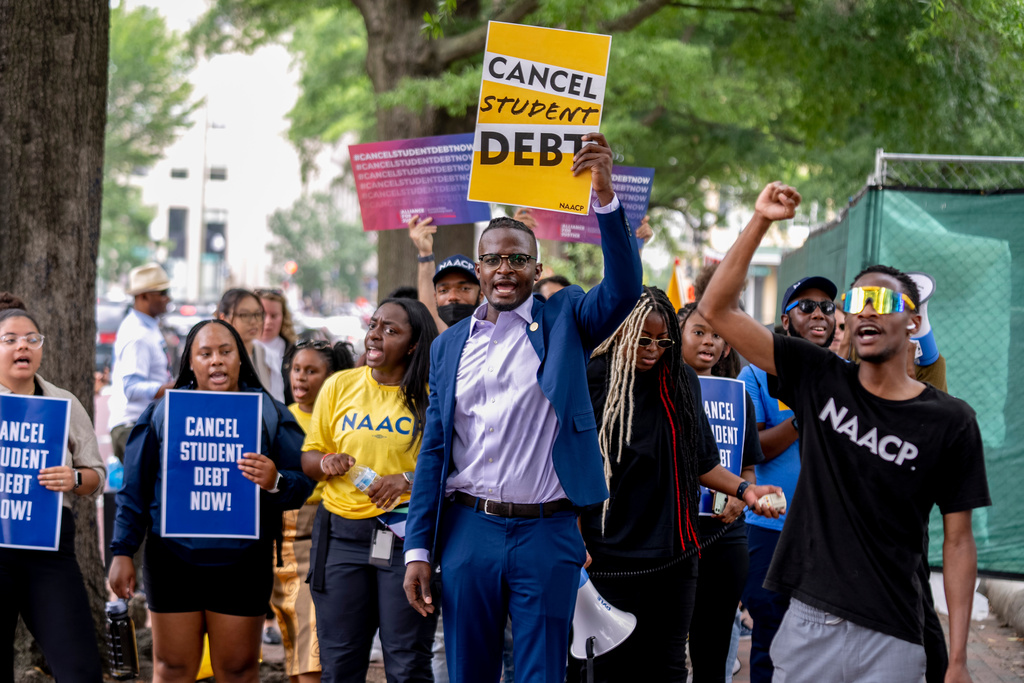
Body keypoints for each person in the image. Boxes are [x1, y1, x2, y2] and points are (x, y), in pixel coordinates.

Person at [699, 182, 990, 683]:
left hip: (895, 630)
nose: (866, 309)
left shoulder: (952, 420)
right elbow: (718, 309)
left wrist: (960, 659)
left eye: (882, 299)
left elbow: (959, 542)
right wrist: (761, 221)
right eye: (856, 300)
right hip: (810, 619)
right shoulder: (819, 377)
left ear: (914, 318)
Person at [402, 133, 641, 683]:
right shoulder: (447, 346)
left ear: (536, 269)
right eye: (493, 259)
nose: (504, 268)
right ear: (479, 270)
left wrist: (604, 194)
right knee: (468, 673)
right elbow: (434, 450)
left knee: (541, 675)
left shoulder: (567, 319)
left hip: (547, 533)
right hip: (468, 531)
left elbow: (625, 289)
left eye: (518, 258)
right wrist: (418, 547)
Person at [566, 289, 778, 683]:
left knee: (667, 666)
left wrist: (746, 491)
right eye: (643, 340)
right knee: (605, 668)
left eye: (663, 342)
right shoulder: (592, 376)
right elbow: (565, 464)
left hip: (676, 557)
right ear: (621, 331)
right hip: (608, 556)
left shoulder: (682, 382)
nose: (652, 350)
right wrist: (572, 533)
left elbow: (704, 463)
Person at [109, 319, 314, 683]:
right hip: (171, 561)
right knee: (172, 669)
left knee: (237, 670)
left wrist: (275, 481)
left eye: (225, 352)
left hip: (241, 563)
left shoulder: (268, 413)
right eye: (205, 353)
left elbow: (303, 483)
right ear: (190, 362)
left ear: (240, 359)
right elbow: (135, 489)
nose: (216, 361)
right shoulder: (163, 413)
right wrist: (123, 551)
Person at [301, 298, 439, 682]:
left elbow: (454, 465)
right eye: (374, 325)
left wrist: (407, 480)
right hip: (341, 537)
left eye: (391, 330)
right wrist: (325, 463)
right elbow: (310, 455)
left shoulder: (433, 394)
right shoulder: (340, 385)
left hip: (406, 537)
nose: (375, 336)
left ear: (413, 344)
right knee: (340, 662)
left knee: (407, 662)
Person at [735, 273, 837, 683]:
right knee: (772, 642)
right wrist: (804, 412)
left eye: (827, 307)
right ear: (785, 319)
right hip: (770, 529)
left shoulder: (850, 374)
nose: (818, 313)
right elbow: (754, 447)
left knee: (827, 645)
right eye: (806, 306)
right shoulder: (756, 376)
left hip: (831, 533)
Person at [0, 308, 106, 681]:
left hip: (49, 551)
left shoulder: (63, 403)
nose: (22, 346)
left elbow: (97, 476)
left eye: (31, 339)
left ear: (41, 348)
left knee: (79, 667)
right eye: (9, 340)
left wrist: (74, 478)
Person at [676, 303, 765, 683]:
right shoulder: (659, 392)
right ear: (677, 334)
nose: (709, 341)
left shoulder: (738, 396)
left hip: (724, 535)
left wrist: (738, 494)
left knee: (713, 654)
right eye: (698, 332)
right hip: (673, 537)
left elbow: (748, 465)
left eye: (716, 335)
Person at [271, 339, 355, 683]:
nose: (300, 378)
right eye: (296, 369)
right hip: (278, 537)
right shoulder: (278, 417)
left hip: (320, 533)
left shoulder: (342, 419)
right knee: (292, 632)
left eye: (311, 371)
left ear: (331, 377)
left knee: (312, 635)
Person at [108, 262, 175, 462]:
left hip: (139, 427)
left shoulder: (146, 327)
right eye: (162, 292)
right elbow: (132, 388)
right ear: (143, 296)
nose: (167, 298)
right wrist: (172, 388)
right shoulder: (137, 334)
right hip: (132, 428)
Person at [408, 216, 483, 333]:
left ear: (481, 295)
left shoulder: (496, 337)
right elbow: (429, 314)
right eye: (443, 290)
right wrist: (425, 253)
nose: (453, 297)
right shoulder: (440, 343)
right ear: (435, 298)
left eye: (464, 288)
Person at [217, 289, 274, 392]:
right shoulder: (217, 357)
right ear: (224, 318)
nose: (253, 321)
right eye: (244, 315)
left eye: (257, 314)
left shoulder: (260, 351)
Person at [256, 288, 298, 404]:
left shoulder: (295, 353)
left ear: (283, 318)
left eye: (274, 316)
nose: (268, 321)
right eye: (262, 315)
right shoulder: (239, 350)